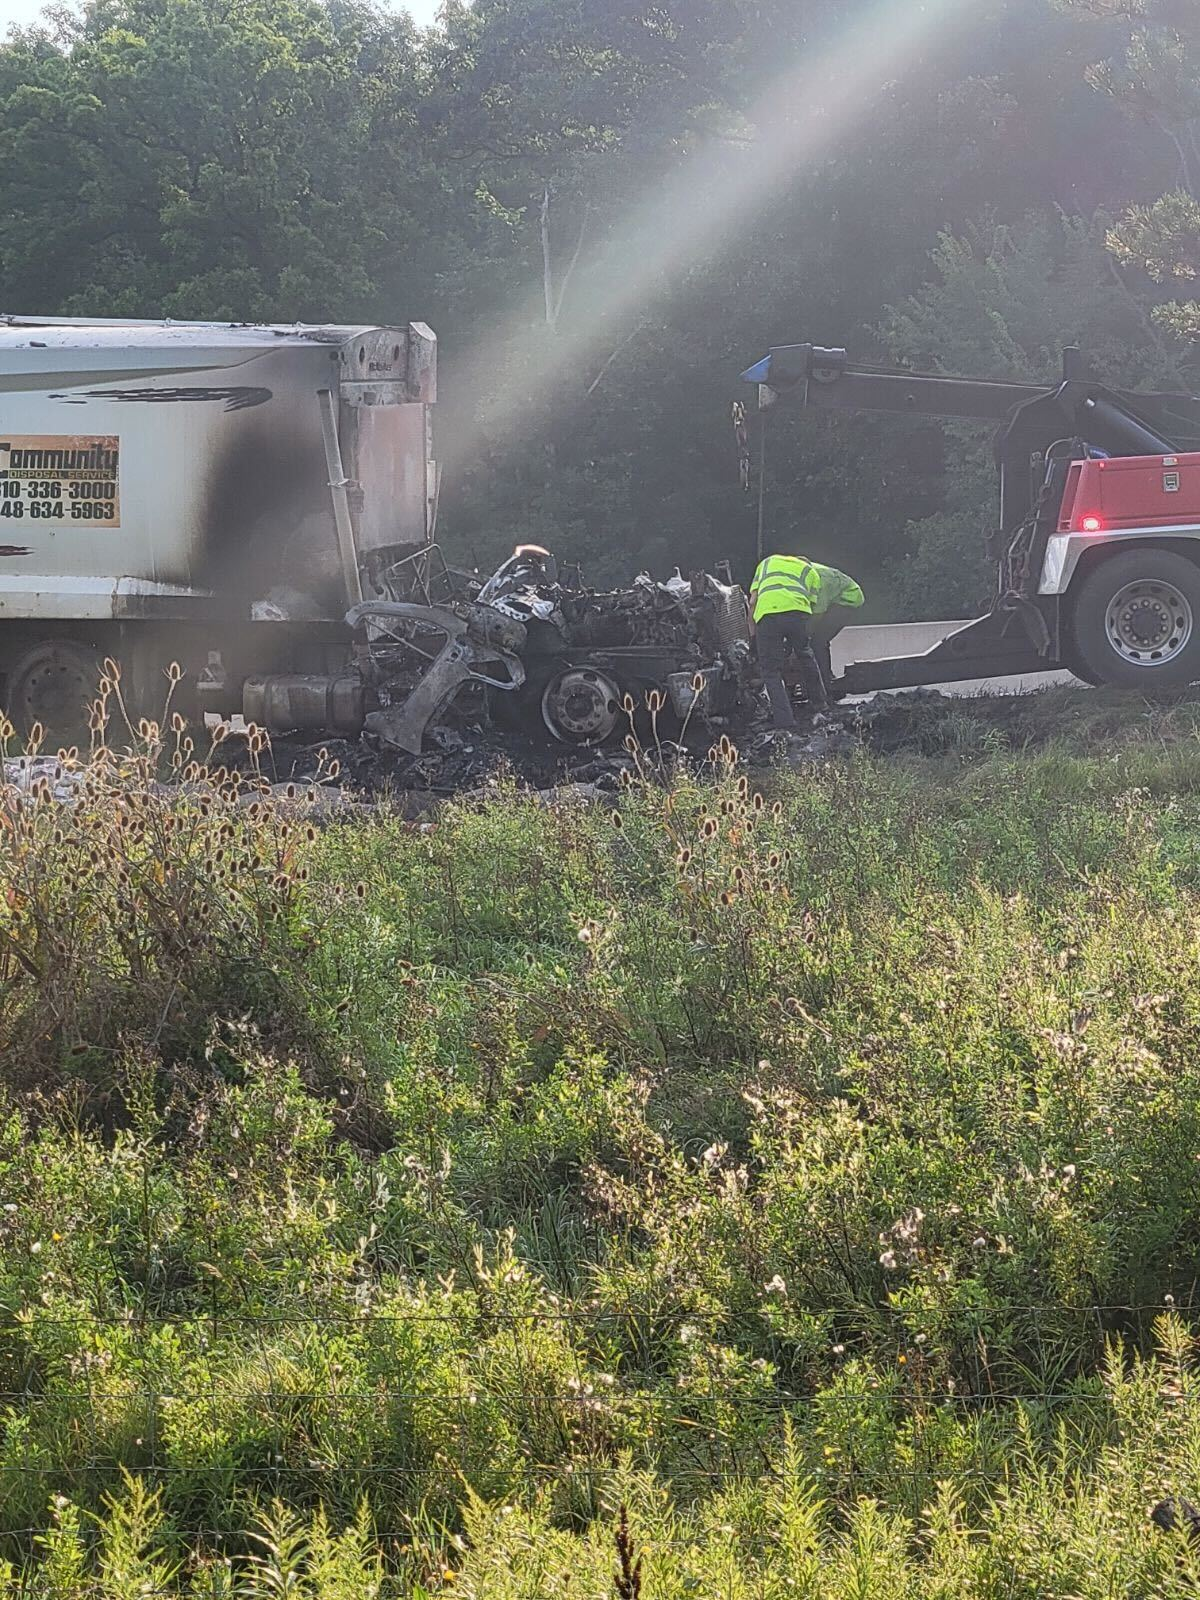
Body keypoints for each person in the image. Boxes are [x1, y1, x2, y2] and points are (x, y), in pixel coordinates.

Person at [748, 552, 828, 727]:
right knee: (805, 656)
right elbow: (812, 607)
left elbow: (753, 601)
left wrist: (753, 636)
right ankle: (820, 705)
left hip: (768, 617)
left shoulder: (767, 563)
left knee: (770, 671)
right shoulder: (811, 572)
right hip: (798, 615)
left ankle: (785, 721)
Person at [808, 563, 866, 698]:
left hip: (847, 600)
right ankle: (825, 679)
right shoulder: (803, 575)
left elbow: (818, 613)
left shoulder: (820, 579)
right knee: (813, 640)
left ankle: (828, 684)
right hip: (833, 600)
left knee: (818, 640)